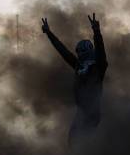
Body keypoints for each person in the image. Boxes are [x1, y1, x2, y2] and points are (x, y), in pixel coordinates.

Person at [41, 13, 108, 146]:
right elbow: (63, 51)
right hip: (82, 111)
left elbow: (101, 50)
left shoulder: (99, 66)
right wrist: (49, 33)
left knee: (84, 142)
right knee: (74, 140)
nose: (80, 54)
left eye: (82, 52)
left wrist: (96, 32)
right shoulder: (78, 65)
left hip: (92, 112)